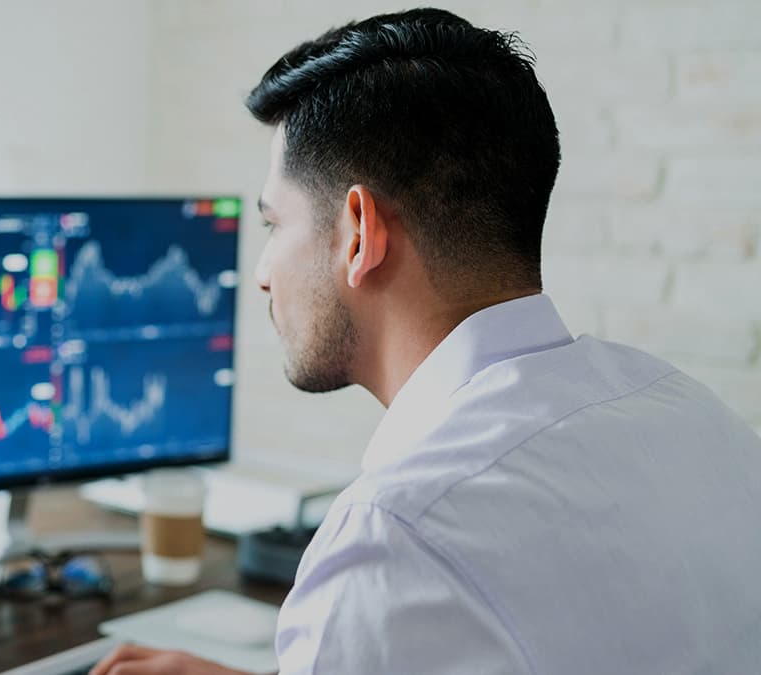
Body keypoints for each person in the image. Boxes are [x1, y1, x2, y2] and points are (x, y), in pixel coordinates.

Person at [91, 7, 761, 675]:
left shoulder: (396, 537)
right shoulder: (691, 411)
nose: (263, 274)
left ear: (358, 234)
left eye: (275, 224)